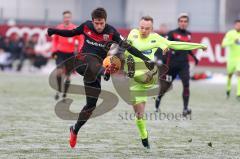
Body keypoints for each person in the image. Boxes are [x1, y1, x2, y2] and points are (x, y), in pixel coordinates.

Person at [47, 7, 153, 148]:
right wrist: (54, 31)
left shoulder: (111, 32)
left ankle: (75, 129)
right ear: (92, 21)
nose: (98, 26)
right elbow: (71, 33)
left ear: (105, 21)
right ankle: (105, 72)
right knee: (92, 60)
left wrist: (145, 58)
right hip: (82, 62)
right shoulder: (86, 26)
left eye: (101, 23)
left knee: (90, 106)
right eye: (96, 23)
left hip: (94, 72)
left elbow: (129, 47)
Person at [125, 16, 207, 148]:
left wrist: (199, 46)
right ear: (138, 26)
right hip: (133, 79)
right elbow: (124, 49)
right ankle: (144, 135)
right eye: (141, 27)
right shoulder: (132, 34)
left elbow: (176, 44)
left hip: (147, 76)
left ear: (152, 29)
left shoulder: (156, 38)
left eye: (147, 28)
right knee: (139, 115)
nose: (143, 30)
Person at [155, 13, 199, 116]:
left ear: (187, 23)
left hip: (184, 65)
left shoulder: (189, 34)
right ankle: (157, 105)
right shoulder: (172, 33)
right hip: (172, 66)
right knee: (165, 87)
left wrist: (194, 57)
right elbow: (163, 45)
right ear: (178, 22)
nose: (183, 23)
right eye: (181, 21)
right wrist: (161, 58)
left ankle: (185, 109)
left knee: (186, 85)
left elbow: (187, 48)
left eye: (185, 21)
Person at [51, 10, 83, 100]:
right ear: (63, 18)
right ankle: (59, 89)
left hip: (70, 54)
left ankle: (65, 93)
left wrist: (79, 50)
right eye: (65, 17)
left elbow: (81, 40)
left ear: (71, 18)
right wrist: (54, 50)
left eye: (68, 17)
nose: (67, 19)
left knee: (68, 76)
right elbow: (54, 40)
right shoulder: (59, 28)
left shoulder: (74, 29)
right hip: (60, 53)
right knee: (59, 72)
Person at [222, 19, 240, 100]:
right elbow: (223, 44)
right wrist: (233, 41)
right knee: (230, 75)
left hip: (239, 59)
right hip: (231, 59)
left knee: (239, 74)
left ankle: (238, 94)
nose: (238, 26)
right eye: (237, 25)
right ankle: (228, 90)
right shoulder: (230, 33)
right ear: (234, 25)